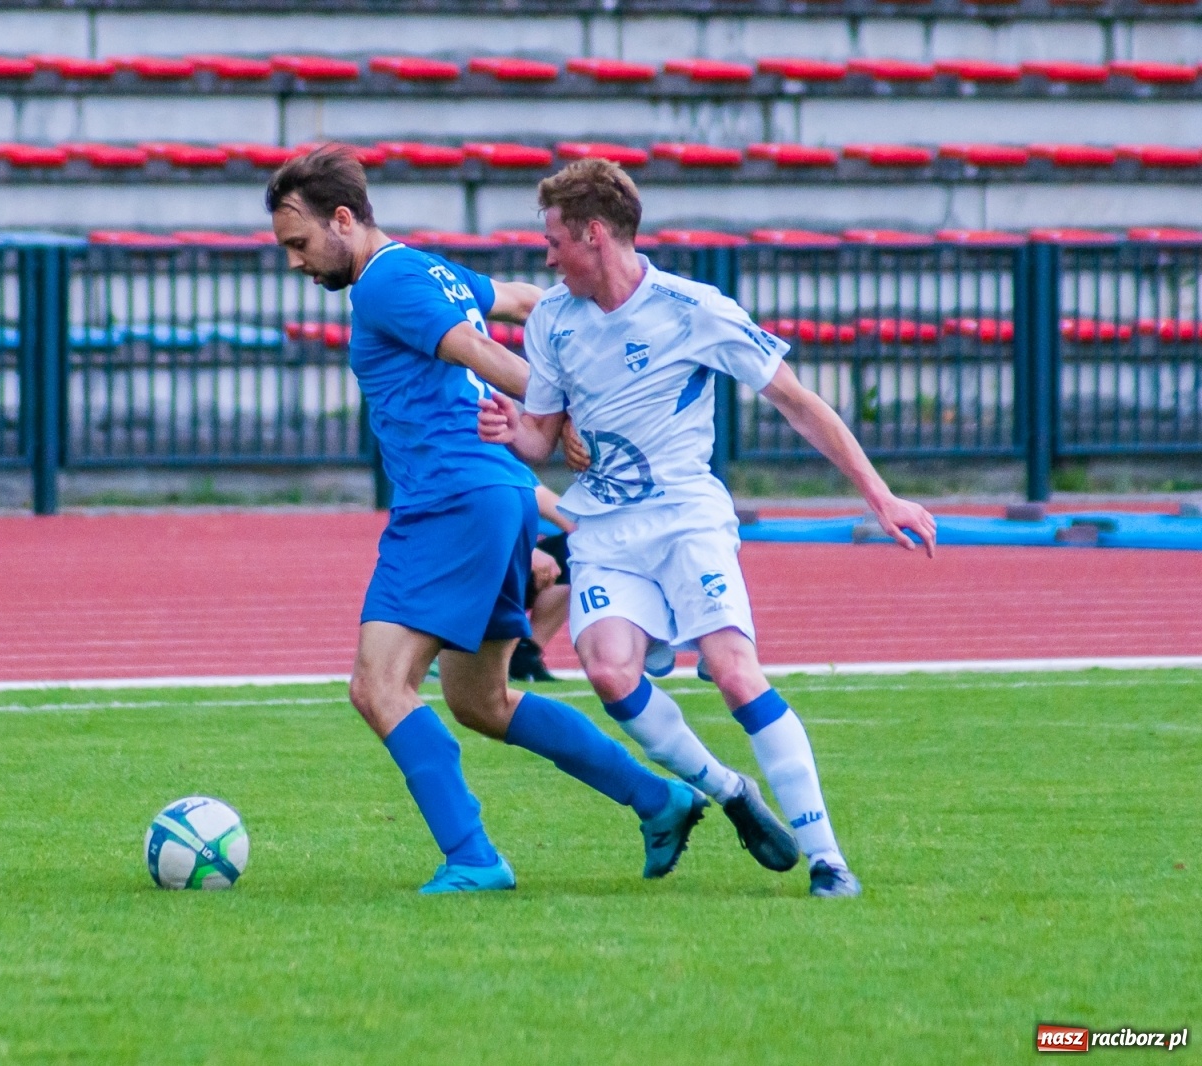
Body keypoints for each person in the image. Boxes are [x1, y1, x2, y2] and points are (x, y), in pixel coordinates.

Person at [479, 159, 939, 898]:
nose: (546, 254)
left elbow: (795, 399)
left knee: (732, 671)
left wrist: (880, 497)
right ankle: (729, 793)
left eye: (554, 239)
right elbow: (541, 438)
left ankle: (828, 860)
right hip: (605, 528)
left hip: (687, 518)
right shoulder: (552, 321)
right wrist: (512, 433)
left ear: (594, 234)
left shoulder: (693, 309)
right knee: (607, 671)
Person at [267, 146, 706, 894]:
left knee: (379, 686)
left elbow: (475, 346)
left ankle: (472, 857)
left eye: (299, 243)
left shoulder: (384, 283)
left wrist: (564, 405)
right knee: (481, 700)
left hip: (450, 499)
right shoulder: (428, 269)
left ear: (343, 220)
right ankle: (657, 797)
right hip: (497, 495)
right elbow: (535, 302)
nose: (295, 263)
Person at [509, 484, 576, 683]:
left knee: (579, 548)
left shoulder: (502, 466)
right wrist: (524, 550)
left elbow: (574, 521)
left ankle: (524, 654)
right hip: (446, 579)